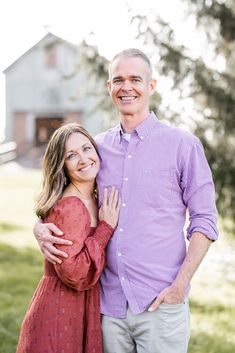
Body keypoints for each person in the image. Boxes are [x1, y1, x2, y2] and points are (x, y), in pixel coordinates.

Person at [34, 49, 218, 353]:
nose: (126, 87)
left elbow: (205, 221)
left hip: (160, 304)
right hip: (109, 307)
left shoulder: (183, 146)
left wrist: (179, 286)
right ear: (109, 88)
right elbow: (62, 191)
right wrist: (39, 227)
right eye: (118, 80)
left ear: (151, 86)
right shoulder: (96, 149)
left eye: (135, 79)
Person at [16, 123, 120, 353]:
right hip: (59, 312)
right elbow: (74, 272)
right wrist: (105, 228)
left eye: (86, 149)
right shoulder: (72, 205)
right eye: (71, 155)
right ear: (62, 166)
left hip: (79, 308)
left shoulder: (93, 197)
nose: (83, 159)